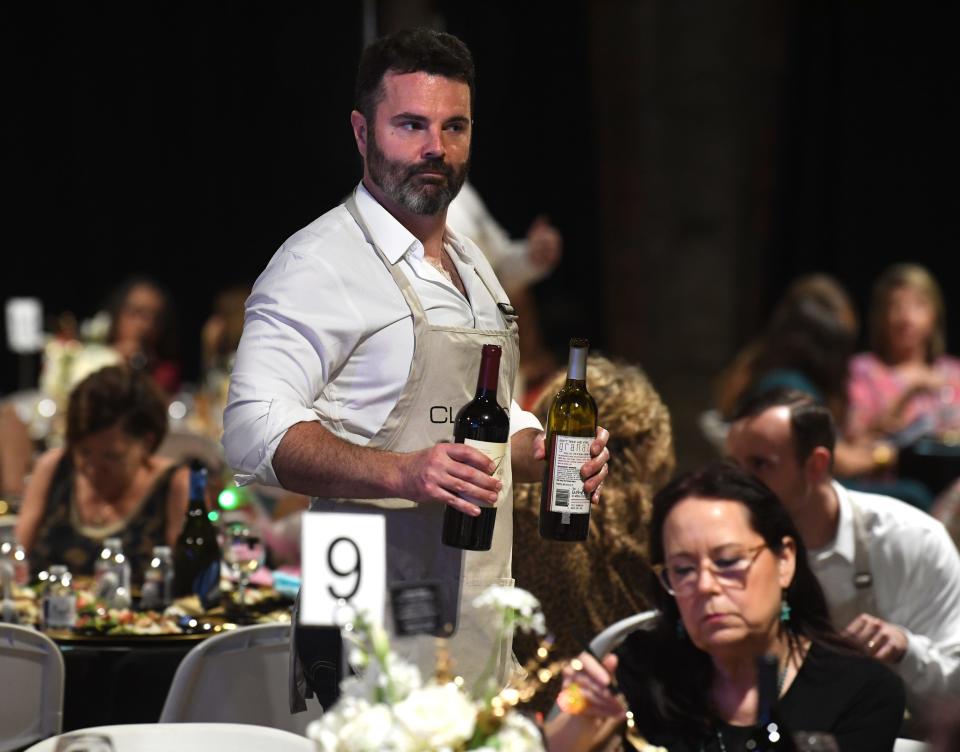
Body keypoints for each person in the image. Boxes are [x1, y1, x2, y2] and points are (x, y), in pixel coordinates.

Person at [221, 28, 609, 705]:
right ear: (361, 132)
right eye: (410, 125)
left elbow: (486, 410)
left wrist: (537, 449)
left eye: (454, 126)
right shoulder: (316, 263)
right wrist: (401, 469)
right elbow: (250, 432)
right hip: (361, 610)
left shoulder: (474, 263)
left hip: (477, 609)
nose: (436, 147)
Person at [546, 462, 904, 752]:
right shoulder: (640, 670)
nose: (705, 585)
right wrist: (580, 721)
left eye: (729, 561)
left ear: (785, 561)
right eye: (683, 569)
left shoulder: (861, 692)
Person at [726, 388, 960, 713]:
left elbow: (954, 687)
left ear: (816, 465)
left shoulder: (910, 540)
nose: (737, 484)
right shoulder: (727, 549)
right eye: (733, 466)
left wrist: (905, 649)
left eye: (760, 465)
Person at [512, 355, 673, 672]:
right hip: (612, 700)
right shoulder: (655, 523)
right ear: (650, 442)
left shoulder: (512, 500)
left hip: (516, 694)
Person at [15, 365, 189, 581]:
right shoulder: (53, 468)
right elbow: (15, 561)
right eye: (84, 452)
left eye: (111, 456)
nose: (93, 468)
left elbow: (190, 587)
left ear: (147, 443)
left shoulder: (175, 486)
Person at [846, 263, 960, 445]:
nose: (907, 318)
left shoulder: (954, 372)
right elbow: (854, 440)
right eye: (896, 306)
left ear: (935, 314)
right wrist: (908, 394)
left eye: (918, 305)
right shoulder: (863, 370)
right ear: (881, 315)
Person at [105, 276, 182, 395]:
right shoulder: (90, 358)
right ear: (118, 313)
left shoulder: (165, 372)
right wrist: (110, 358)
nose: (146, 325)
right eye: (137, 312)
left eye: (155, 318)